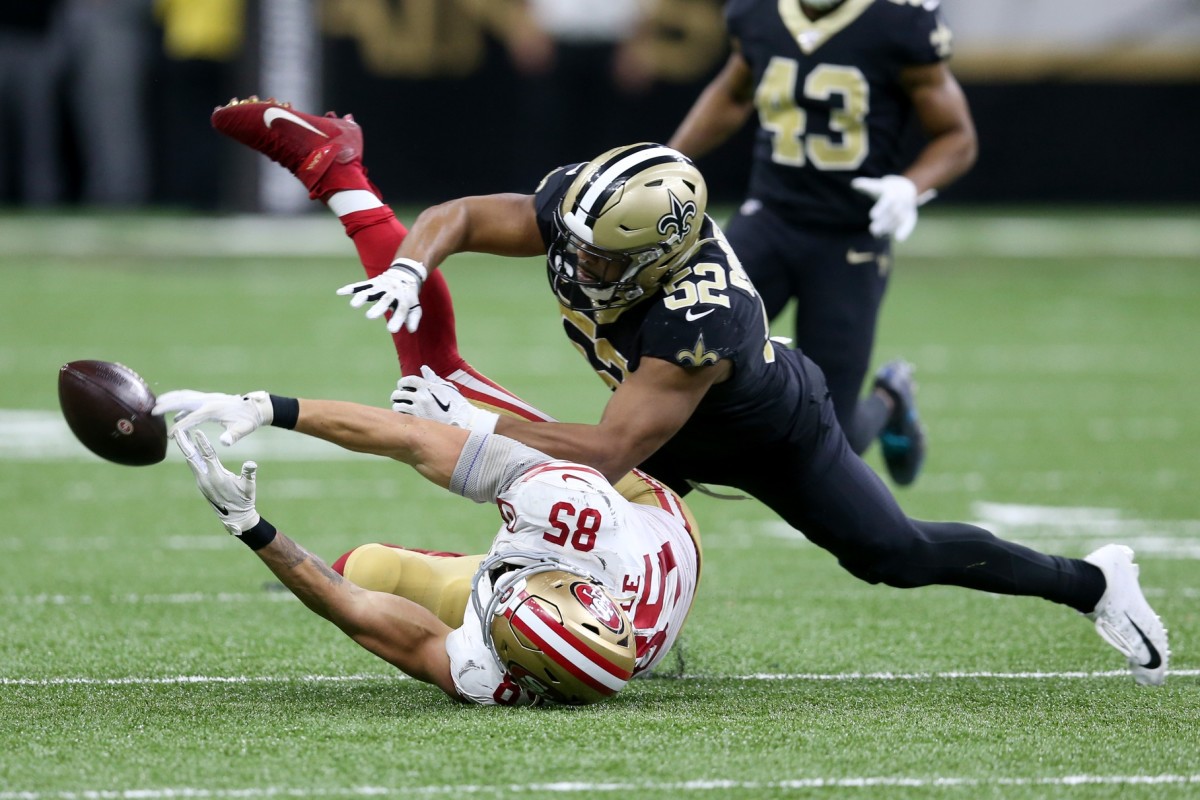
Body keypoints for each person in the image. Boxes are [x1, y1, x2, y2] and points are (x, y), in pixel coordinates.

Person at [208, 98, 1168, 686]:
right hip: (647, 428)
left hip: (753, 438)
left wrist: (473, 422)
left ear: (658, 260)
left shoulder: (699, 318)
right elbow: (458, 215)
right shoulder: (599, 205)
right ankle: (341, 171)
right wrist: (414, 270)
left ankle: (1091, 580)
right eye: (571, 240)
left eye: (595, 256)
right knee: (433, 378)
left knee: (894, 554)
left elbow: (616, 453)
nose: (571, 262)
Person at [157, 383, 700, 707]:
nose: (503, 589)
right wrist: (268, 407)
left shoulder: (490, 678)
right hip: (656, 518)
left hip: (621, 590)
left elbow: (358, 610)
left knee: (366, 571)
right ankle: (475, 406)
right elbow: (411, 437)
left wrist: (248, 522)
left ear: (514, 667)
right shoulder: (567, 505)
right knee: (471, 416)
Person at [667, 0, 980, 486]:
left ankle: (890, 398)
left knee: (833, 440)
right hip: (768, 218)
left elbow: (957, 136)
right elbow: (732, 93)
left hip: (848, 237)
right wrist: (671, 159)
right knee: (681, 350)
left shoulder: (897, 22)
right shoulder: (757, 12)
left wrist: (910, 186)